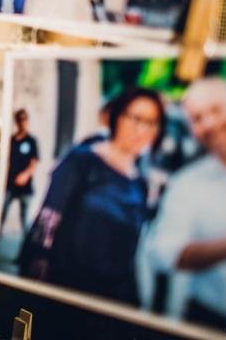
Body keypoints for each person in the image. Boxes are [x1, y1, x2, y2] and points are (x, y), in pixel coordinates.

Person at [18, 88, 166, 305]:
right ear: (117, 117)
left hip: (109, 303)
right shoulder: (82, 161)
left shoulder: (140, 184)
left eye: (151, 122)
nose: (141, 129)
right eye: (135, 118)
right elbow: (46, 224)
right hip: (63, 294)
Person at [146, 79, 226, 329]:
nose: (209, 124)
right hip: (213, 322)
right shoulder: (187, 183)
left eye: (216, 110)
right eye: (197, 118)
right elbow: (164, 253)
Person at [4, 109, 39, 230]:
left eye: (24, 119)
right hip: (9, 185)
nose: (22, 122)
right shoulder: (11, 140)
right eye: (20, 119)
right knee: (1, 217)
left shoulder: (31, 141)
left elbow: (34, 162)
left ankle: (28, 247)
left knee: (25, 221)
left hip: (25, 188)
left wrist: (25, 175)